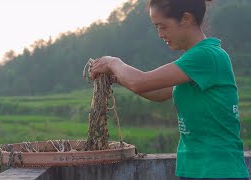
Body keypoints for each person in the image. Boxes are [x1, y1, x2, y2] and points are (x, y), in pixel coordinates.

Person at [89, 0, 250, 179]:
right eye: (156, 27)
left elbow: (140, 82)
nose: (160, 34)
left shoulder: (207, 56)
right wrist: (118, 78)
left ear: (186, 19)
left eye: (163, 26)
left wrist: (113, 62)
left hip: (218, 170)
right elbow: (158, 93)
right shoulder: (194, 62)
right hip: (193, 169)